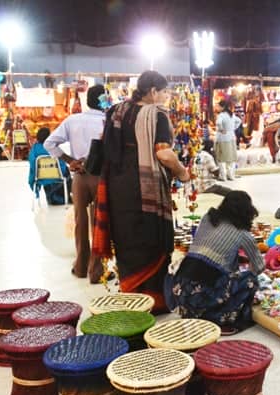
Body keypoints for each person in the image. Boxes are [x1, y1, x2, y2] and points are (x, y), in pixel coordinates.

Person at [92, 71, 190, 311]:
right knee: (152, 243)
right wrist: (182, 172)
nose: (167, 97)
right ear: (153, 91)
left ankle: (132, 301)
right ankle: (153, 303)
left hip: (117, 188)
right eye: (165, 92)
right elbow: (163, 153)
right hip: (145, 192)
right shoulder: (156, 115)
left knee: (125, 242)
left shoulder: (116, 111)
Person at [165, 190, 264, 335]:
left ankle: (197, 311)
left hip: (180, 289)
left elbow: (210, 252)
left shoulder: (208, 219)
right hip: (201, 293)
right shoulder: (243, 234)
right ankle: (222, 319)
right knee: (250, 280)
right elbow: (259, 267)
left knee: (219, 276)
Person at [44, 84, 107, 284]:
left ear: (87, 100)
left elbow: (49, 143)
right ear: (104, 100)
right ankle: (96, 271)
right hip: (101, 177)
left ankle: (80, 267)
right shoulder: (108, 121)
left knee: (80, 221)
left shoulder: (73, 120)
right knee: (99, 223)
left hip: (79, 176)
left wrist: (69, 160)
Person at [27, 127, 70, 205]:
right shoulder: (52, 148)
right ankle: (65, 196)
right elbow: (62, 165)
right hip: (57, 175)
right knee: (67, 171)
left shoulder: (34, 149)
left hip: (40, 176)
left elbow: (32, 164)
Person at [214, 100, 237, 181]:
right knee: (231, 157)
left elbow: (218, 123)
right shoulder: (231, 114)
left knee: (221, 157)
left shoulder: (221, 115)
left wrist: (221, 129)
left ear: (222, 107)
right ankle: (231, 175)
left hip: (223, 138)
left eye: (218, 106)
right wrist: (233, 129)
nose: (217, 107)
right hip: (232, 137)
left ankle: (223, 176)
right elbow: (239, 121)